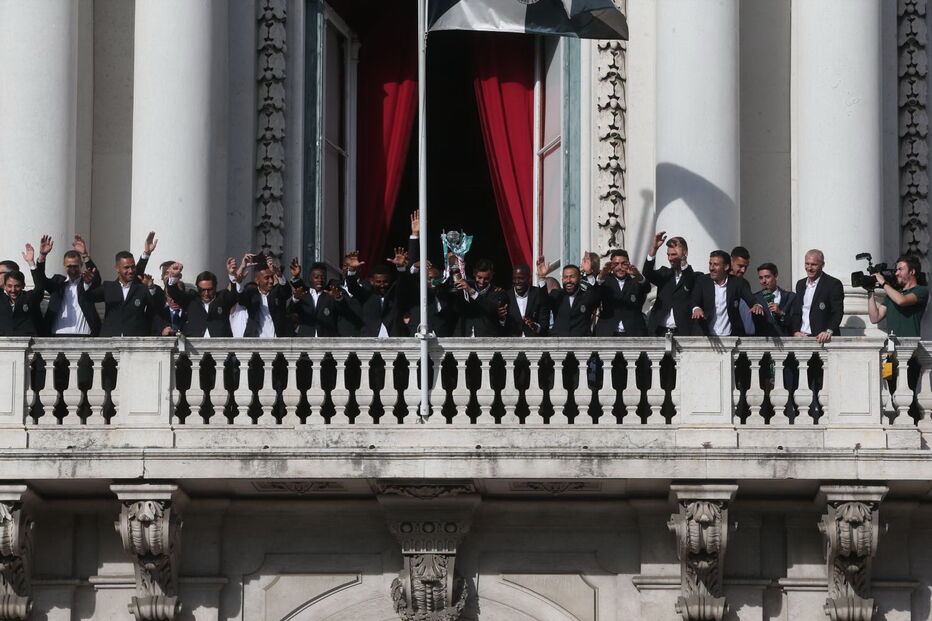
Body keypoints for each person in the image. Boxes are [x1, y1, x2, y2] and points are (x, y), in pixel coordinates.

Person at [83, 242, 162, 337]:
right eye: (126, 267)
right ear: (117, 268)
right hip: (110, 339)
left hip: (136, 340)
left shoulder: (142, 288)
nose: (131, 271)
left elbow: (155, 306)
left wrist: (151, 288)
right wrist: (87, 284)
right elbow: (88, 298)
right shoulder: (108, 287)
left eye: (133, 267)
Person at [691, 250, 763, 336]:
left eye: (716, 265)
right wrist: (696, 308)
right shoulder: (702, 281)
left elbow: (750, 298)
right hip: (706, 336)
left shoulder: (737, 283)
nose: (711, 268)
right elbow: (694, 299)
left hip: (730, 337)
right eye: (710, 264)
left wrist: (756, 305)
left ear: (726, 267)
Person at [166, 259, 242, 338]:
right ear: (197, 288)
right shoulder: (191, 300)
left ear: (215, 287)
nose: (206, 293)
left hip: (220, 347)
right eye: (202, 290)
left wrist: (232, 275)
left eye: (210, 290)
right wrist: (174, 277)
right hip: (195, 346)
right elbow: (174, 294)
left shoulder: (222, 298)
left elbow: (234, 295)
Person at [43, 235, 101, 336]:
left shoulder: (86, 282)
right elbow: (40, 281)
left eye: (75, 266)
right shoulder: (57, 283)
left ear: (81, 265)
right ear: (64, 266)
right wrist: (42, 256)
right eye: (69, 266)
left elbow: (95, 278)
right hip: (58, 335)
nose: (73, 269)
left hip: (84, 336)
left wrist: (85, 255)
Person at [643, 232, 698, 335]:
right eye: (668, 255)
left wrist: (683, 261)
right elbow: (647, 273)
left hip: (682, 333)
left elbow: (689, 282)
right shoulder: (664, 274)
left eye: (674, 254)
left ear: (685, 253)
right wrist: (654, 249)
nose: (670, 258)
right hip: (658, 332)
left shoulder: (695, 277)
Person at [344, 249, 408, 337]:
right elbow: (352, 287)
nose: (382, 285)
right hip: (369, 342)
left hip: (393, 341)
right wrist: (351, 270)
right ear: (372, 281)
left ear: (390, 281)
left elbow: (404, 284)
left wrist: (401, 268)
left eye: (385, 282)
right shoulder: (365, 295)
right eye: (378, 282)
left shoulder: (395, 294)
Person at [787, 249, 844, 343]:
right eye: (807, 264)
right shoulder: (800, 284)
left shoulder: (833, 284)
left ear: (822, 265)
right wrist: (795, 331)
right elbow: (797, 312)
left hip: (823, 339)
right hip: (802, 338)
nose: (809, 268)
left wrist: (828, 331)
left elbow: (837, 312)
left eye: (814, 264)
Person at [537, 254, 601, 337]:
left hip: (581, 345)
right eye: (565, 277)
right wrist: (542, 277)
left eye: (572, 277)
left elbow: (595, 297)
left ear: (580, 278)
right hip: (559, 344)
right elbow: (543, 302)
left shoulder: (586, 295)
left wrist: (589, 273)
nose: (568, 280)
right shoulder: (557, 295)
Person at [867, 254, 928, 337]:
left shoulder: (921, 290)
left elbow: (901, 301)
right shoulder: (893, 294)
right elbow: (875, 318)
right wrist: (870, 290)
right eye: (896, 270)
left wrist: (883, 283)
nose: (896, 273)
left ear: (912, 271)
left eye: (900, 269)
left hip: (910, 345)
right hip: (892, 345)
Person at [594, 249, 651, 337]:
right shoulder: (604, 280)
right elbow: (594, 294)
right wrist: (602, 275)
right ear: (611, 265)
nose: (620, 267)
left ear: (628, 264)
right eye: (616, 264)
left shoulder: (635, 280)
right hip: (608, 332)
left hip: (633, 333)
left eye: (624, 263)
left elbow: (646, 288)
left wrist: (638, 275)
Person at [0, 241, 49, 336]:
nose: (13, 290)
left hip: (28, 347)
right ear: (5, 286)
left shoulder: (29, 298)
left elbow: (39, 288)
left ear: (22, 285)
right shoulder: (1, 299)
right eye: (9, 286)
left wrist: (31, 263)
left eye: (17, 286)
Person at [238, 255, 294, 337]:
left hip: (277, 342)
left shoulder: (277, 292)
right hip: (256, 343)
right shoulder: (252, 294)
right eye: (267, 278)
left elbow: (287, 292)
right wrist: (240, 279)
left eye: (271, 277)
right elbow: (240, 299)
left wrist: (279, 275)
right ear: (257, 280)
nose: (271, 281)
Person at [289, 259, 344, 337]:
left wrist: (338, 298)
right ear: (310, 278)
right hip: (305, 340)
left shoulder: (331, 295)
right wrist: (296, 299)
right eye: (316, 277)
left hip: (326, 341)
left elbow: (342, 312)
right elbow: (290, 311)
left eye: (323, 277)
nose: (320, 280)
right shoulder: (303, 294)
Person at [453, 258, 507, 337]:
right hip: (463, 335)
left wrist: (471, 291)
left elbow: (491, 308)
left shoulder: (498, 292)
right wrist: (455, 269)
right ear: (474, 273)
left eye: (486, 279)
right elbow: (455, 307)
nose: (482, 281)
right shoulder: (465, 287)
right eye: (479, 277)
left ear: (492, 275)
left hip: (486, 338)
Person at [751, 262, 796, 337]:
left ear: (776, 276)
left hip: (786, 342)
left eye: (767, 277)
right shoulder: (755, 299)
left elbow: (794, 322)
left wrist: (780, 313)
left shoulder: (790, 297)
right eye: (761, 278)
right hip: (763, 343)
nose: (764, 281)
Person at [504, 262, 548, 337]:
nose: (517, 282)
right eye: (514, 278)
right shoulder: (506, 296)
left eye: (521, 278)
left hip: (534, 343)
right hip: (512, 343)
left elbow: (545, 303)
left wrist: (542, 277)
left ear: (529, 278)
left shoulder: (536, 293)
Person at [731, 246, 756, 335]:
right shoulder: (721, 282)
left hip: (746, 334)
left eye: (746, 267)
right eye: (740, 266)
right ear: (731, 261)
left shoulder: (745, 283)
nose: (743, 270)